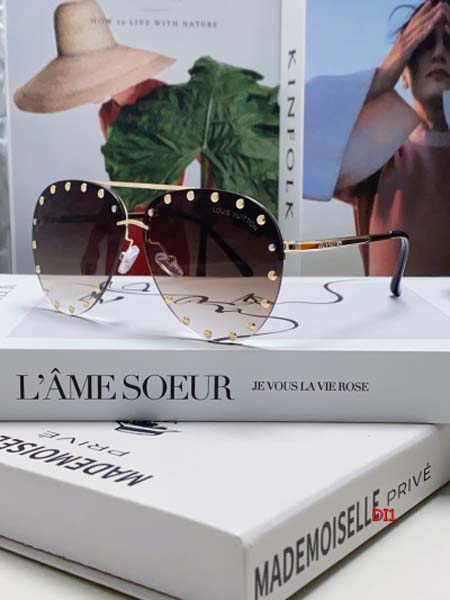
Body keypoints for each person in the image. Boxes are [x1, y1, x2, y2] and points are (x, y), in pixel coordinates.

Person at [304, 0, 450, 276]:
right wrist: (381, 78)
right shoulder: (380, 156)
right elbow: (291, 139)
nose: (440, 53)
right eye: (425, 43)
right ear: (404, 73)